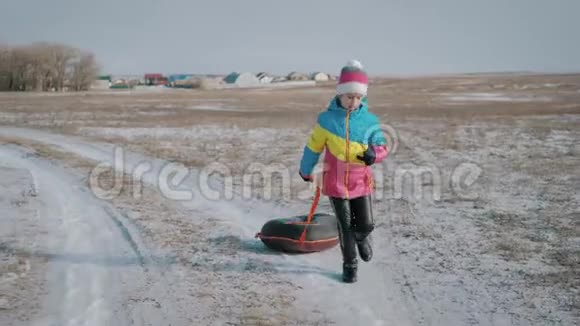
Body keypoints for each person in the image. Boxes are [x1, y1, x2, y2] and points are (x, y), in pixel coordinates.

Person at [298, 60, 389, 283]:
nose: (353, 102)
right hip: (336, 183)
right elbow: (313, 147)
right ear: (339, 94)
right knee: (345, 227)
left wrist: (374, 155)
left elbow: (381, 145)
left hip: (361, 182)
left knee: (365, 223)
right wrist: (305, 170)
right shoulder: (327, 120)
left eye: (358, 97)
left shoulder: (370, 120)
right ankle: (350, 266)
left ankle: (363, 237)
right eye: (349, 96)